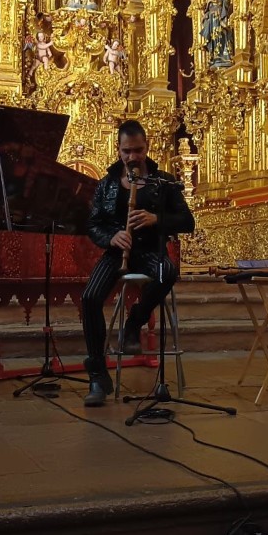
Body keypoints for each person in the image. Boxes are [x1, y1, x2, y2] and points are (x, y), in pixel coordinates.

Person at [80, 120, 195, 407]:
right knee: (90, 298)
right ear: (118, 150)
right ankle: (97, 375)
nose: (132, 157)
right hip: (118, 251)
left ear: (147, 147)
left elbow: (188, 221)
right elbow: (93, 225)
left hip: (148, 249)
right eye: (126, 151)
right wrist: (112, 237)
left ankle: (133, 323)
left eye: (138, 150)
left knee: (167, 272)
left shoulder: (164, 181)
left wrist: (157, 219)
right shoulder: (107, 184)